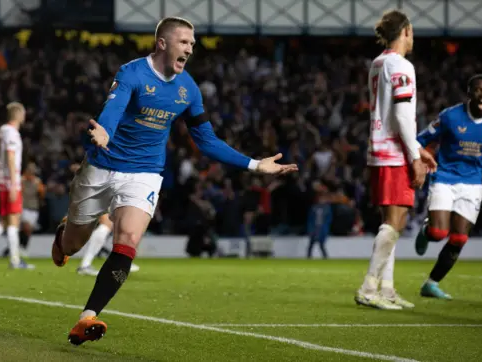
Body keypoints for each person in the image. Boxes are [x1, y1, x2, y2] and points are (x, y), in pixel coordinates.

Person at [51, 16, 298, 345]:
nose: (190, 49)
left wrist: (254, 165)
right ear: (162, 43)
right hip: (101, 166)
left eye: (193, 44)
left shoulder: (188, 90)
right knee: (72, 245)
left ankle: (88, 317)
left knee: (127, 239)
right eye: (184, 42)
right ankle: (64, 235)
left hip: (145, 172)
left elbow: (206, 140)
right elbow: (114, 108)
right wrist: (104, 131)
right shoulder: (132, 73)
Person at [354, 9, 437, 310]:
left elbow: (389, 113)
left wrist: (418, 149)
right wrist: (415, 156)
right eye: (411, 32)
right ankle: (368, 288)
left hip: (379, 150)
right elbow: (402, 116)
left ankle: (386, 288)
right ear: (404, 31)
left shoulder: (378, 64)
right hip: (394, 153)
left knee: (391, 223)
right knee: (395, 221)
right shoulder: (402, 65)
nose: (412, 37)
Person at [414, 74, 482, 299]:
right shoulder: (450, 116)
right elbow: (421, 138)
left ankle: (431, 284)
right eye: (478, 90)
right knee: (439, 233)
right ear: (469, 93)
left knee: (458, 239)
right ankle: (426, 231)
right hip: (444, 177)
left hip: (473, 183)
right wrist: (419, 160)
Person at [0, 102, 34, 269]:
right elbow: (11, 157)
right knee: (13, 220)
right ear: (19, 115)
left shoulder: (1, 132)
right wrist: (14, 183)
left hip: (0, 181)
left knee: (4, 220)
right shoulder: (12, 133)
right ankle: (15, 260)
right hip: (8, 182)